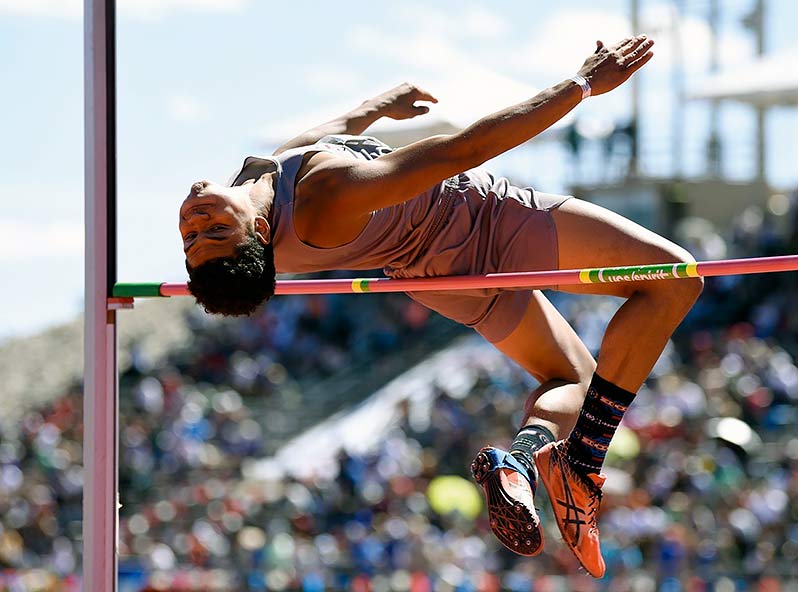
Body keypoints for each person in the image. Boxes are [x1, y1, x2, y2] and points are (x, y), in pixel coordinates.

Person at [178, 35, 702, 578]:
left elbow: (296, 149)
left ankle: (522, 463)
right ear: (259, 232)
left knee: (572, 379)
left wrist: (374, 110)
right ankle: (586, 462)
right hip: (483, 222)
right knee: (674, 278)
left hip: (435, 276)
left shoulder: (253, 190)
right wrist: (584, 84)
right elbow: (462, 150)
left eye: (195, 234)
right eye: (212, 227)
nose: (195, 215)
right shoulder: (324, 197)